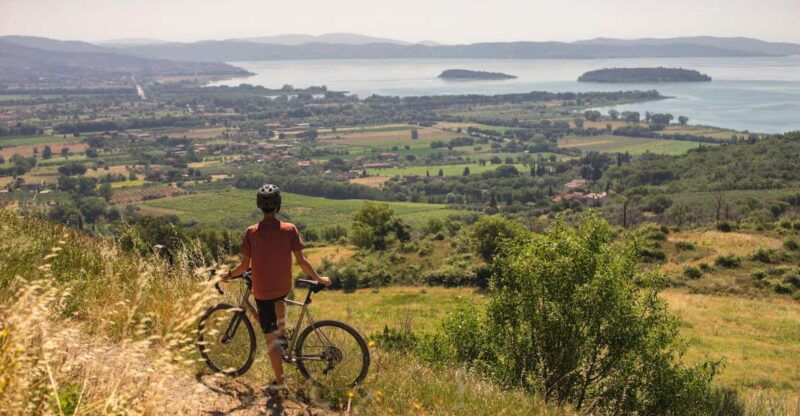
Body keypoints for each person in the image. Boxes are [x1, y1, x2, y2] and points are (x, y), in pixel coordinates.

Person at [224, 184, 331, 394]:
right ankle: (283, 333)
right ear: (278, 205)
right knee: (280, 298)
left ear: (259, 206)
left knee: (269, 340)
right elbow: (301, 261)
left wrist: (227, 275)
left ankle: (280, 383)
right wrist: (319, 278)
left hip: (262, 292)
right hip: (283, 286)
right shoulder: (289, 229)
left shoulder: (251, 232)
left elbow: (244, 267)